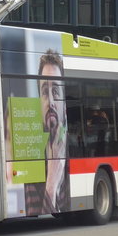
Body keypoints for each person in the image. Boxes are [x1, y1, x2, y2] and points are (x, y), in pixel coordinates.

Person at [37, 50, 69, 214]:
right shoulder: (33, 161)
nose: (50, 101)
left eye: (56, 92)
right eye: (44, 92)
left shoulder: (73, 151)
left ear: (64, 103)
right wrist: (51, 182)